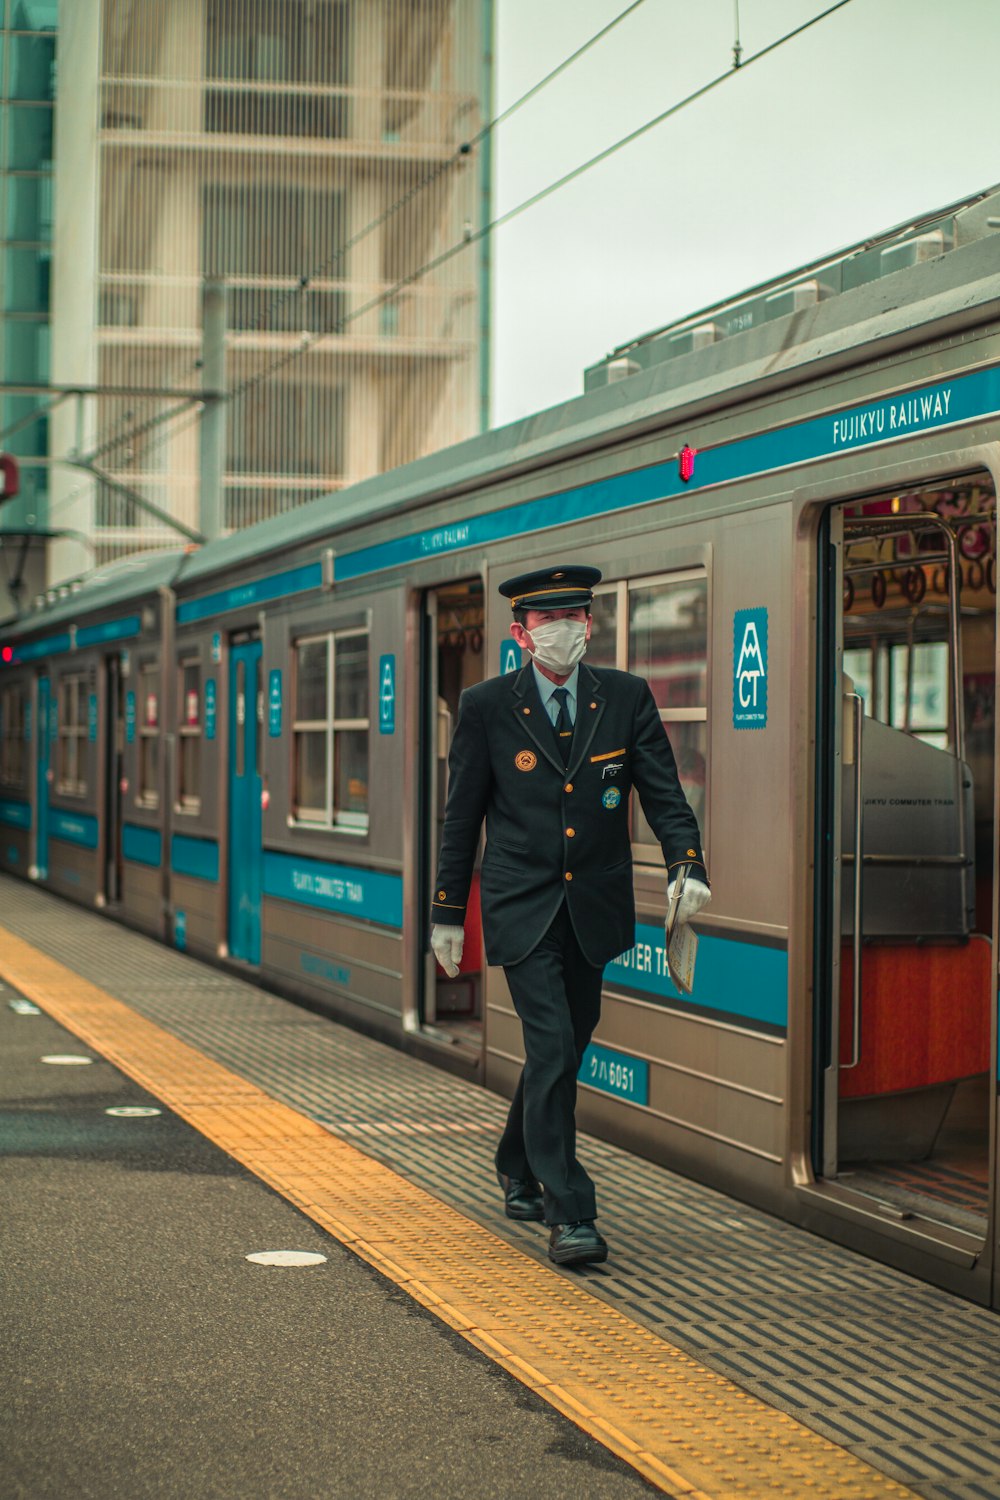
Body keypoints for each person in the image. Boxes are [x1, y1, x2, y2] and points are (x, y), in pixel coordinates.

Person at [430, 564, 710, 1266]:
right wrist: (445, 912)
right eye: (549, 623)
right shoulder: (487, 706)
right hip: (520, 905)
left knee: (571, 1038)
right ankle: (571, 1211)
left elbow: (664, 794)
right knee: (553, 1045)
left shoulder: (625, 698)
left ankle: (515, 1161)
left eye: (576, 620)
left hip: (593, 905)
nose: (565, 632)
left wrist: (687, 865)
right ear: (523, 635)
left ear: (590, 625)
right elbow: (460, 819)